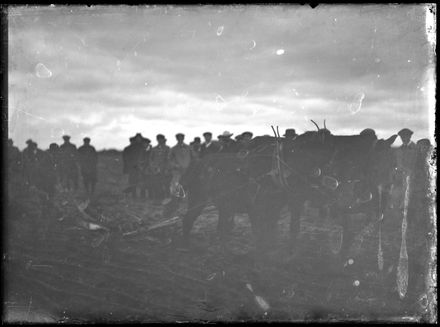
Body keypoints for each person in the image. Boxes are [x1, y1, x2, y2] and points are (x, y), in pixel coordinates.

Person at [122, 133, 146, 199]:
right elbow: (126, 158)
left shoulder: (143, 147)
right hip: (133, 168)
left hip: (141, 167)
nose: (138, 140)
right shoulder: (130, 148)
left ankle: (142, 196)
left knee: (142, 181)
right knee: (133, 182)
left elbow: (146, 157)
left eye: (140, 139)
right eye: (137, 139)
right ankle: (134, 195)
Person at [149, 134, 171, 201]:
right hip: (156, 170)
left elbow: (169, 159)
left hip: (164, 170)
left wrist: (167, 168)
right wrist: (153, 167)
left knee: (166, 184)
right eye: (158, 139)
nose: (160, 140)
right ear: (157, 140)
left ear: (163, 140)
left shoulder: (167, 148)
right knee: (157, 184)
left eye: (161, 139)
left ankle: (167, 198)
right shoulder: (154, 149)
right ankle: (158, 198)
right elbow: (150, 159)